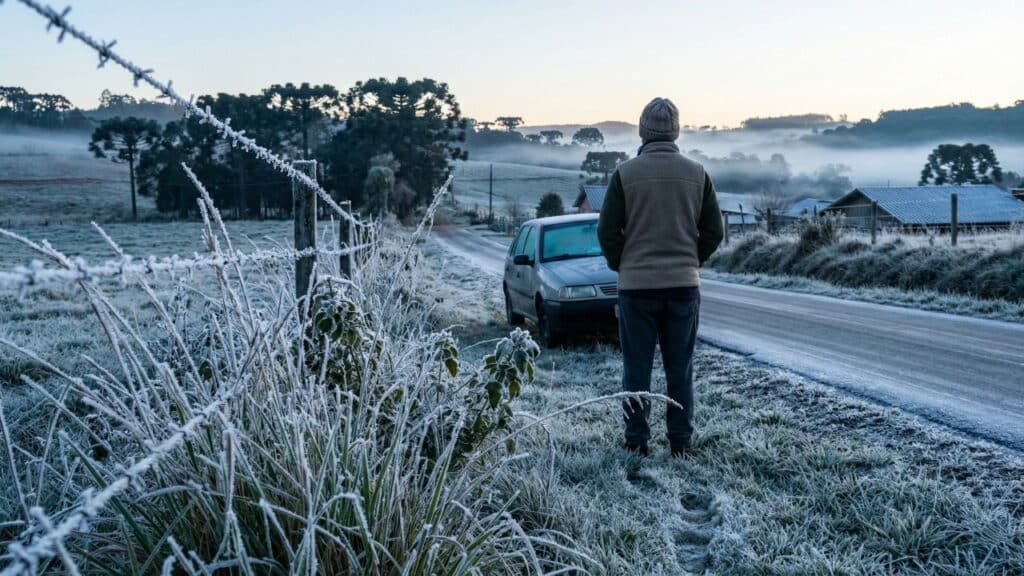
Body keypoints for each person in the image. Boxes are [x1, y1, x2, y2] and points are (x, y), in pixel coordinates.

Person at [597, 97, 724, 457]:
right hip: (683, 287)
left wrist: (623, 264)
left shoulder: (625, 174)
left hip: (636, 289)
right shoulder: (698, 173)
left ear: (643, 131)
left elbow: (607, 231)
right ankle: (680, 442)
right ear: (676, 131)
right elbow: (714, 232)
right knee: (680, 369)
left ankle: (636, 441)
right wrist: (691, 260)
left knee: (636, 369)